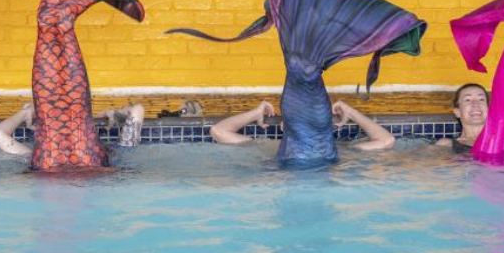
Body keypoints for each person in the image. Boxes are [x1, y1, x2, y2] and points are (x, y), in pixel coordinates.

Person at [209, 99, 395, 151]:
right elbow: (218, 131)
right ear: (283, 127)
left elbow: (387, 141)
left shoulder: (267, 148)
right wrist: (256, 113)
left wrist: (351, 111)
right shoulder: (268, 147)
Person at [436, 83, 489, 153]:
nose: (476, 104)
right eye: (468, 100)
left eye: (481, 99)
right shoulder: (446, 145)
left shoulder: (503, 142)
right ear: (457, 111)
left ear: (488, 109)